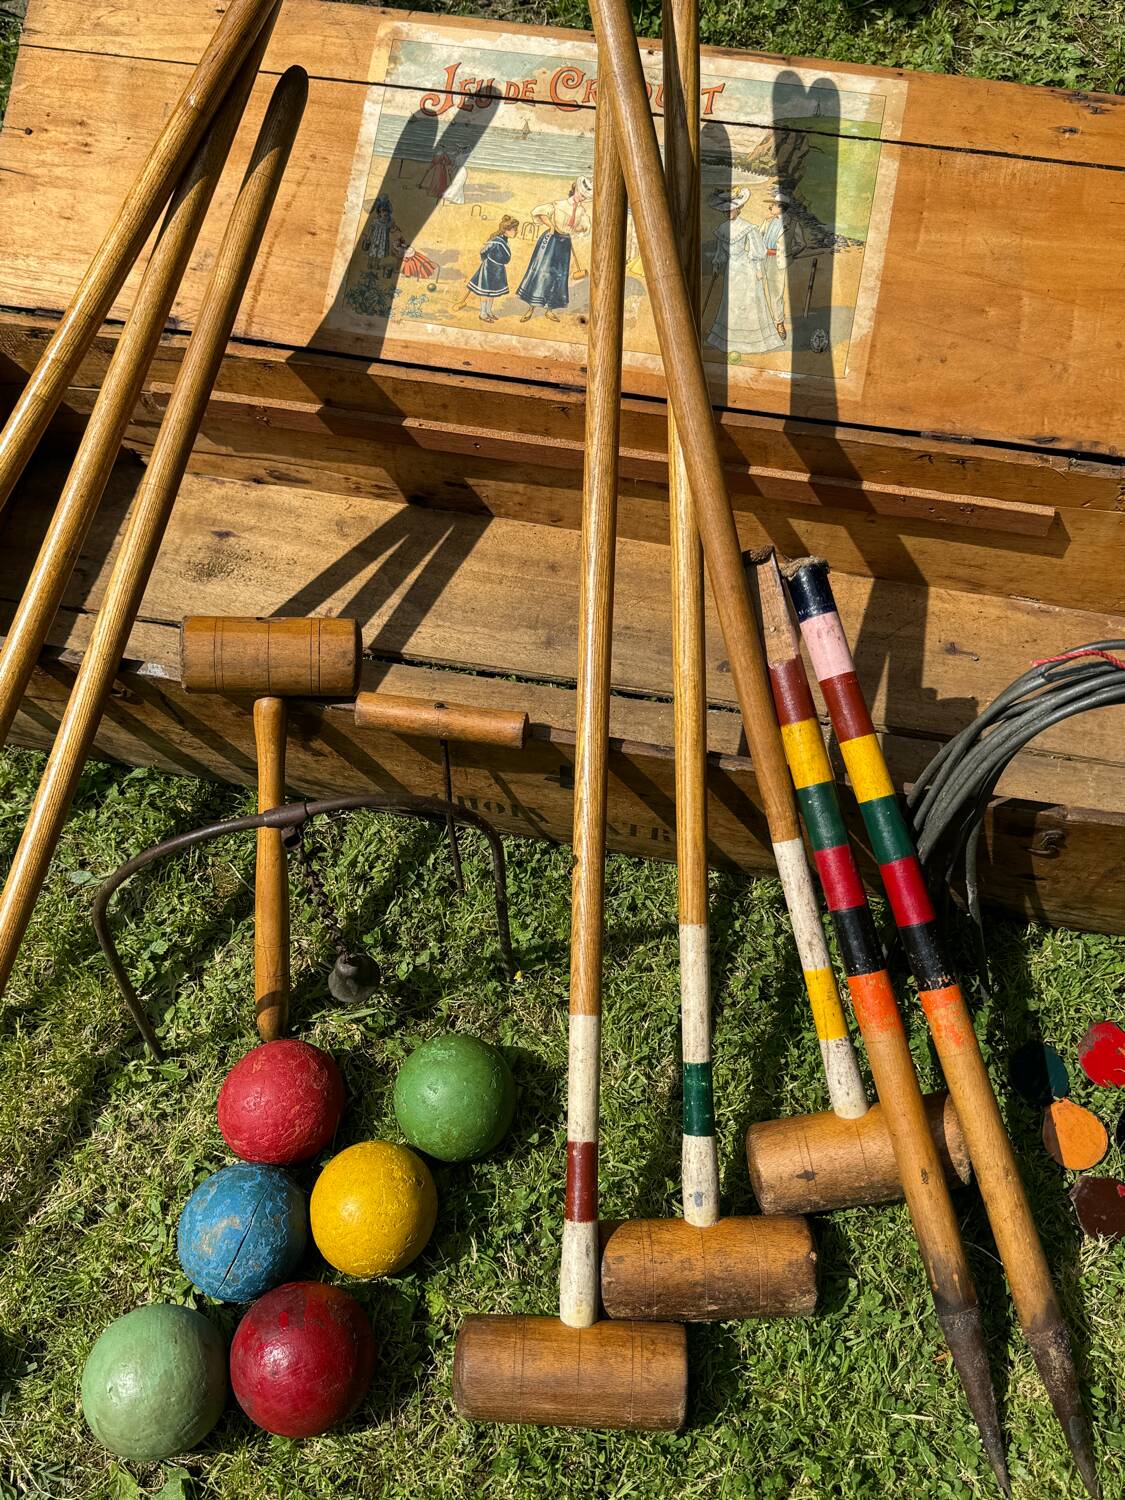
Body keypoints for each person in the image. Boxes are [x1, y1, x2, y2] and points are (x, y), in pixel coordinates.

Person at [704, 186, 786, 356]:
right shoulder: (722, 228)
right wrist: (717, 263)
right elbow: (721, 251)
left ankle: (751, 341)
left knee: (748, 304)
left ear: (739, 209)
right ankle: (729, 339)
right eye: (725, 210)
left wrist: (757, 270)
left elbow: (758, 250)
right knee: (731, 303)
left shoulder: (749, 227)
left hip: (747, 270)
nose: (728, 213)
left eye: (731, 209)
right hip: (731, 271)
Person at [517, 177, 592, 323]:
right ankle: (531, 309)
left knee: (559, 275)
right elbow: (539, 212)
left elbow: (585, 228)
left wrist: (575, 230)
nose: (582, 198)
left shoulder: (581, 211)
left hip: (564, 243)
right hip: (550, 240)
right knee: (542, 272)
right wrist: (551, 226)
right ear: (575, 190)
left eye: (585, 197)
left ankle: (549, 310)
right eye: (581, 194)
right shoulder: (559, 204)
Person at [454, 215, 520, 321]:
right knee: (485, 291)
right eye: (514, 229)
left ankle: (489, 311)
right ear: (506, 230)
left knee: (492, 291)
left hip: (498, 269)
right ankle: (483, 314)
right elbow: (483, 252)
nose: (516, 232)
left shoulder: (504, 240)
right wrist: (487, 262)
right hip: (489, 269)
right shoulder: (496, 241)